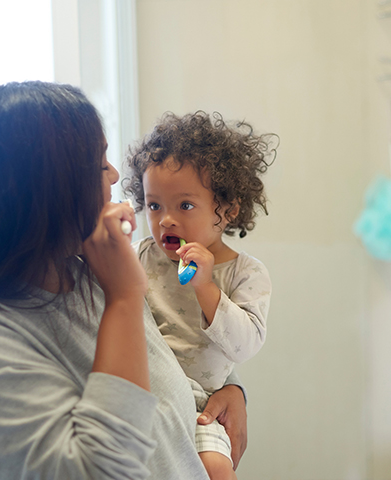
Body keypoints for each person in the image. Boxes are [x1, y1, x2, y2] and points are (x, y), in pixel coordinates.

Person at [0, 81, 248, 480]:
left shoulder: (89, 271)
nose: (114, 175)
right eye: (98, 164)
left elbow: (169, 355)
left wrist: (228, 387)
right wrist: (125, 298)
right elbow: (94, 472)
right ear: (40, 191)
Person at [123, 111, 275, 480]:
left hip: (203, 406)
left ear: (228, 210)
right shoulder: (143, 256)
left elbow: (243, 347)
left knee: (218, 471)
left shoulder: (245, 273)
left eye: (185, 206)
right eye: (154, 205)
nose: (166, 220)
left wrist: (206, 287)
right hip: (146, 400)